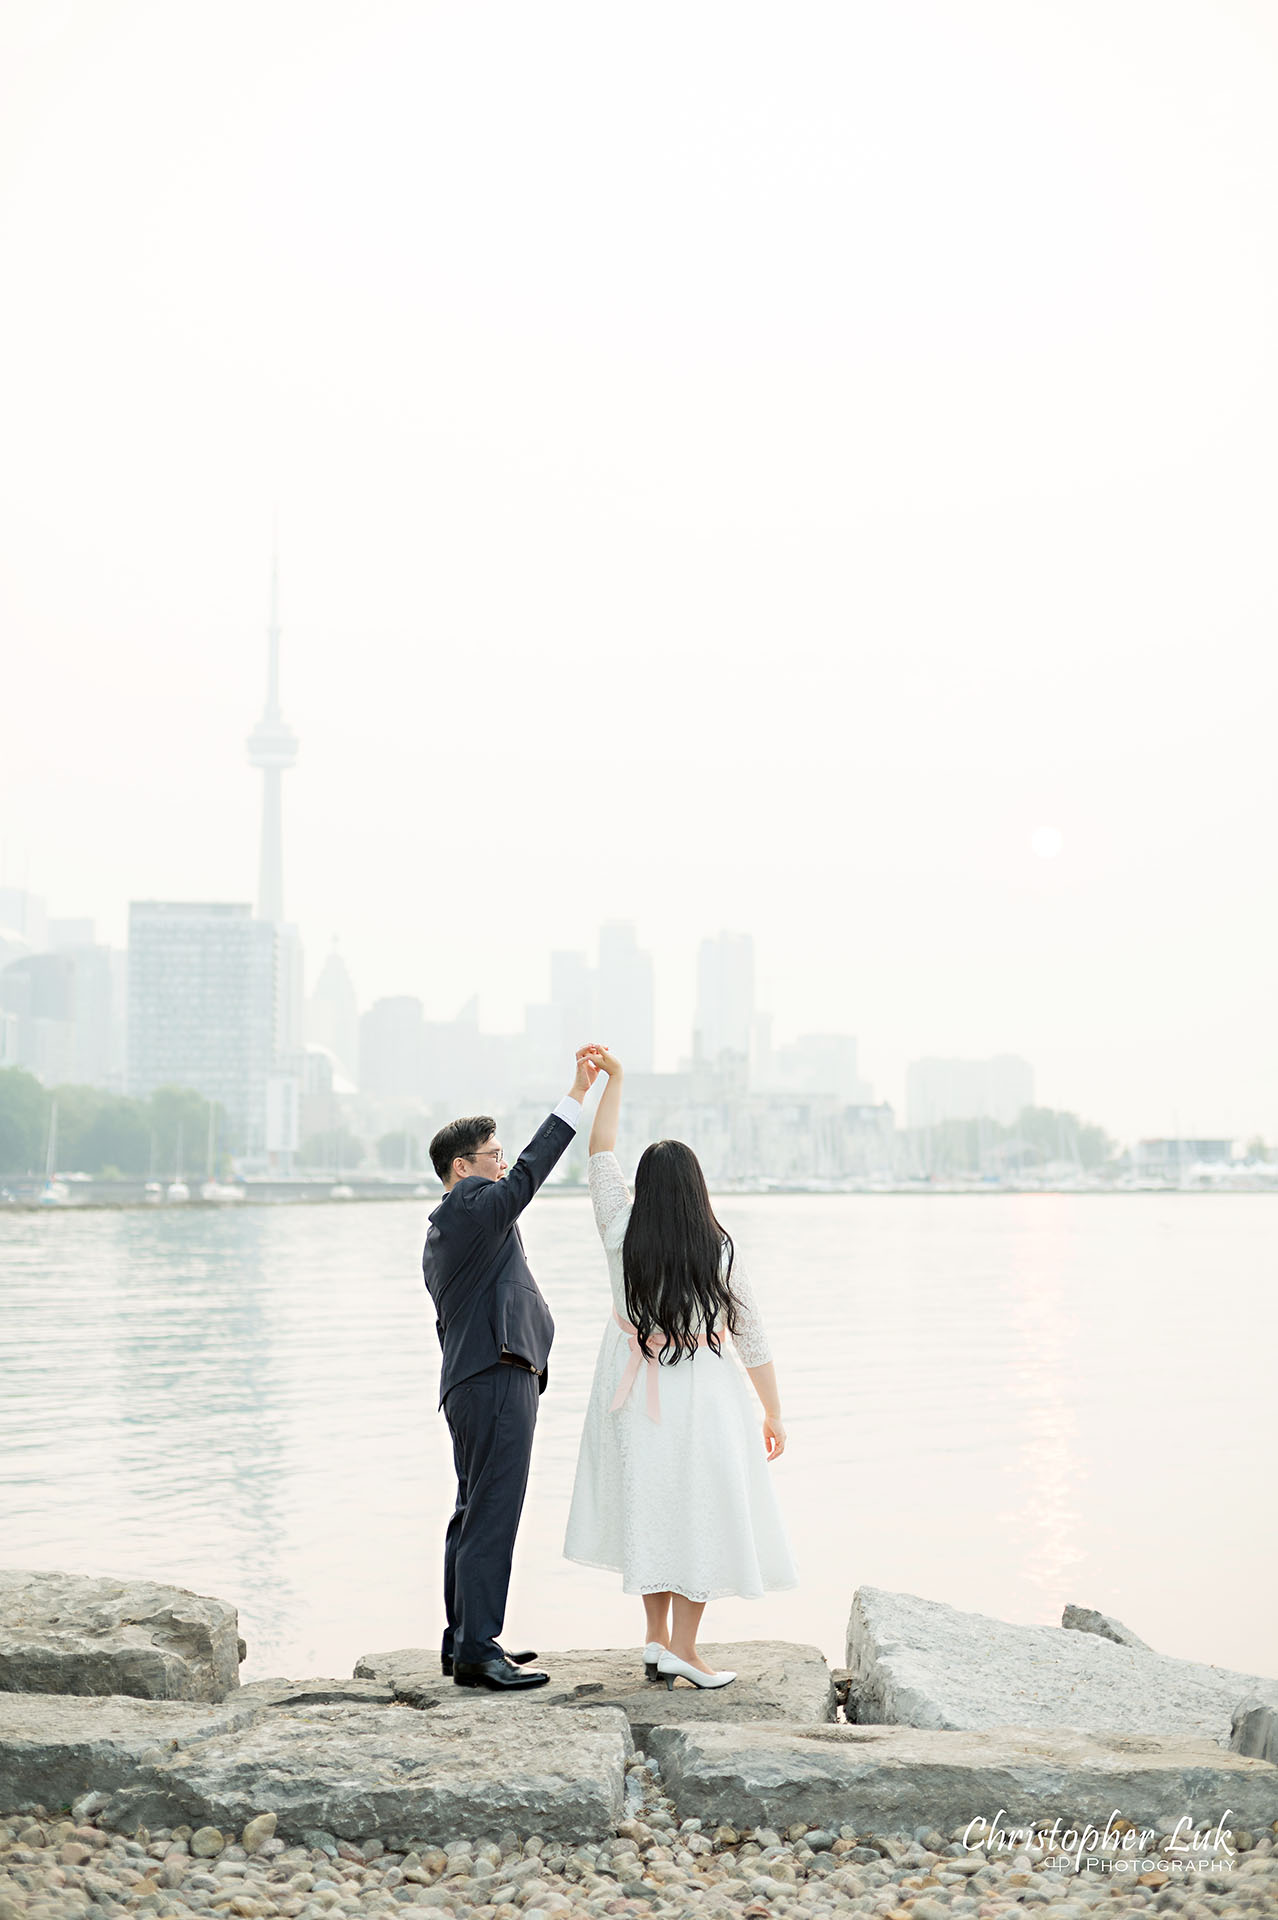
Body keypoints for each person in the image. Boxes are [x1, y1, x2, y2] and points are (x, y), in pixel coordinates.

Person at [563, 1046, 797, 1689]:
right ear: (697, 1189)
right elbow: (752, 1335)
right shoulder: (717, 1248)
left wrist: (614, 1080)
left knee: (654, 1509)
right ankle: (686, 1653)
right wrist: (774, 1410)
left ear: (644, 1186)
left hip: (630, 1392)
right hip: (704, 1395)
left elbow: (599, 1151)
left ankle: (657, 1642)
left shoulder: (618, 1224)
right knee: (704, 1513)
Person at [423, 1045, 602, 1693]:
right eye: (493, 1156)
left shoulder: (447, 1229)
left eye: (499, 1155)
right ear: (461, 1168)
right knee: (493, 1510)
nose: (503, 1167)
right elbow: (531, 1172)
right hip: (496, 1378)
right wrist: (575, 1097)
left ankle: (461, 1639)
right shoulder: (474, 1206)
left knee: (472, 1509)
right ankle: (478, 1649)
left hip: (472, 1380)